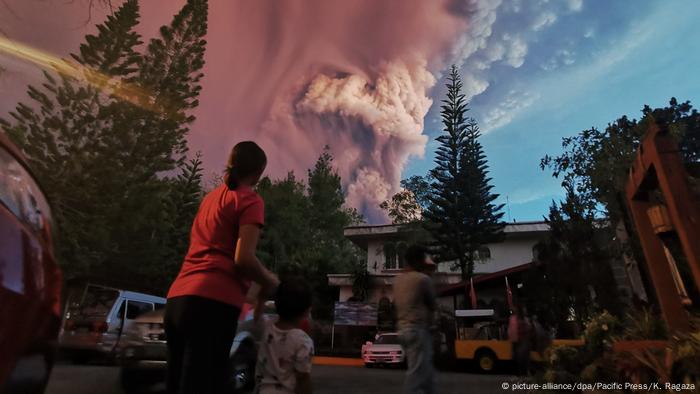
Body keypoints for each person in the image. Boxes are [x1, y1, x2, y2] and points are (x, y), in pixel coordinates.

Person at [164, 141, 279, 394]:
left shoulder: (210, 199)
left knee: (178, 385)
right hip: (211, 305)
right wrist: (270, 281)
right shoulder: (250, 200)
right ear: (259, 172)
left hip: (177, 300)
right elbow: (244, 259)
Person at [254, 277, 314, 394]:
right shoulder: (303, 341)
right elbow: (303, 380)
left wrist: (262, 294)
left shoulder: (265, 328)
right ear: (307, 311)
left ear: (276, 305)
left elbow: (257, 313)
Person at [393, 244, 437, 394]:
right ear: (420, 260)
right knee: (416, 375)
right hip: (418, 331)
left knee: (426, 372)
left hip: (403, 330)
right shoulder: (422, 279)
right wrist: (431, 273)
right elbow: (433, 304)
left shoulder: (397, 280)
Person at [507, 305, 532, 376]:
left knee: (522, 357)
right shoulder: (514, 319)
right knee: (518, 357)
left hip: (522, 340)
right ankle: (521, 372)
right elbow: (511, 329)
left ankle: (523, 372)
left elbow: (528, 329)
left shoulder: (524, 319)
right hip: (518, 340)